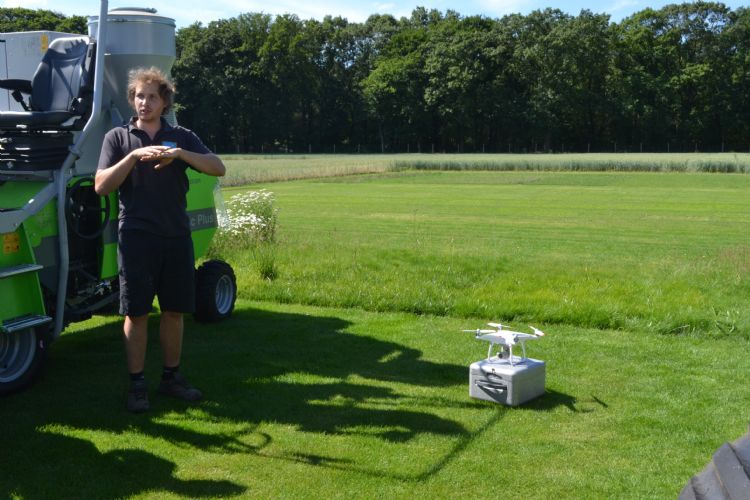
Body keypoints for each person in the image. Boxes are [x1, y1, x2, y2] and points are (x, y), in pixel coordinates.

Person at [95, 67, 226, 413]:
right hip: (136, 237)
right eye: (139, 95)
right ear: (132, 99)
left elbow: (217, 167)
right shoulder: (118, 138)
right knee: (136, 313)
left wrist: (180, 155)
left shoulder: (181, 136)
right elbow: (101, 185)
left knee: (173, 311)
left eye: (152, 96)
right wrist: (134, 156)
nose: (144, 102)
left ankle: (171, 378)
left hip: (176, 235)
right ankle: (137, 385)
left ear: (164, 101)